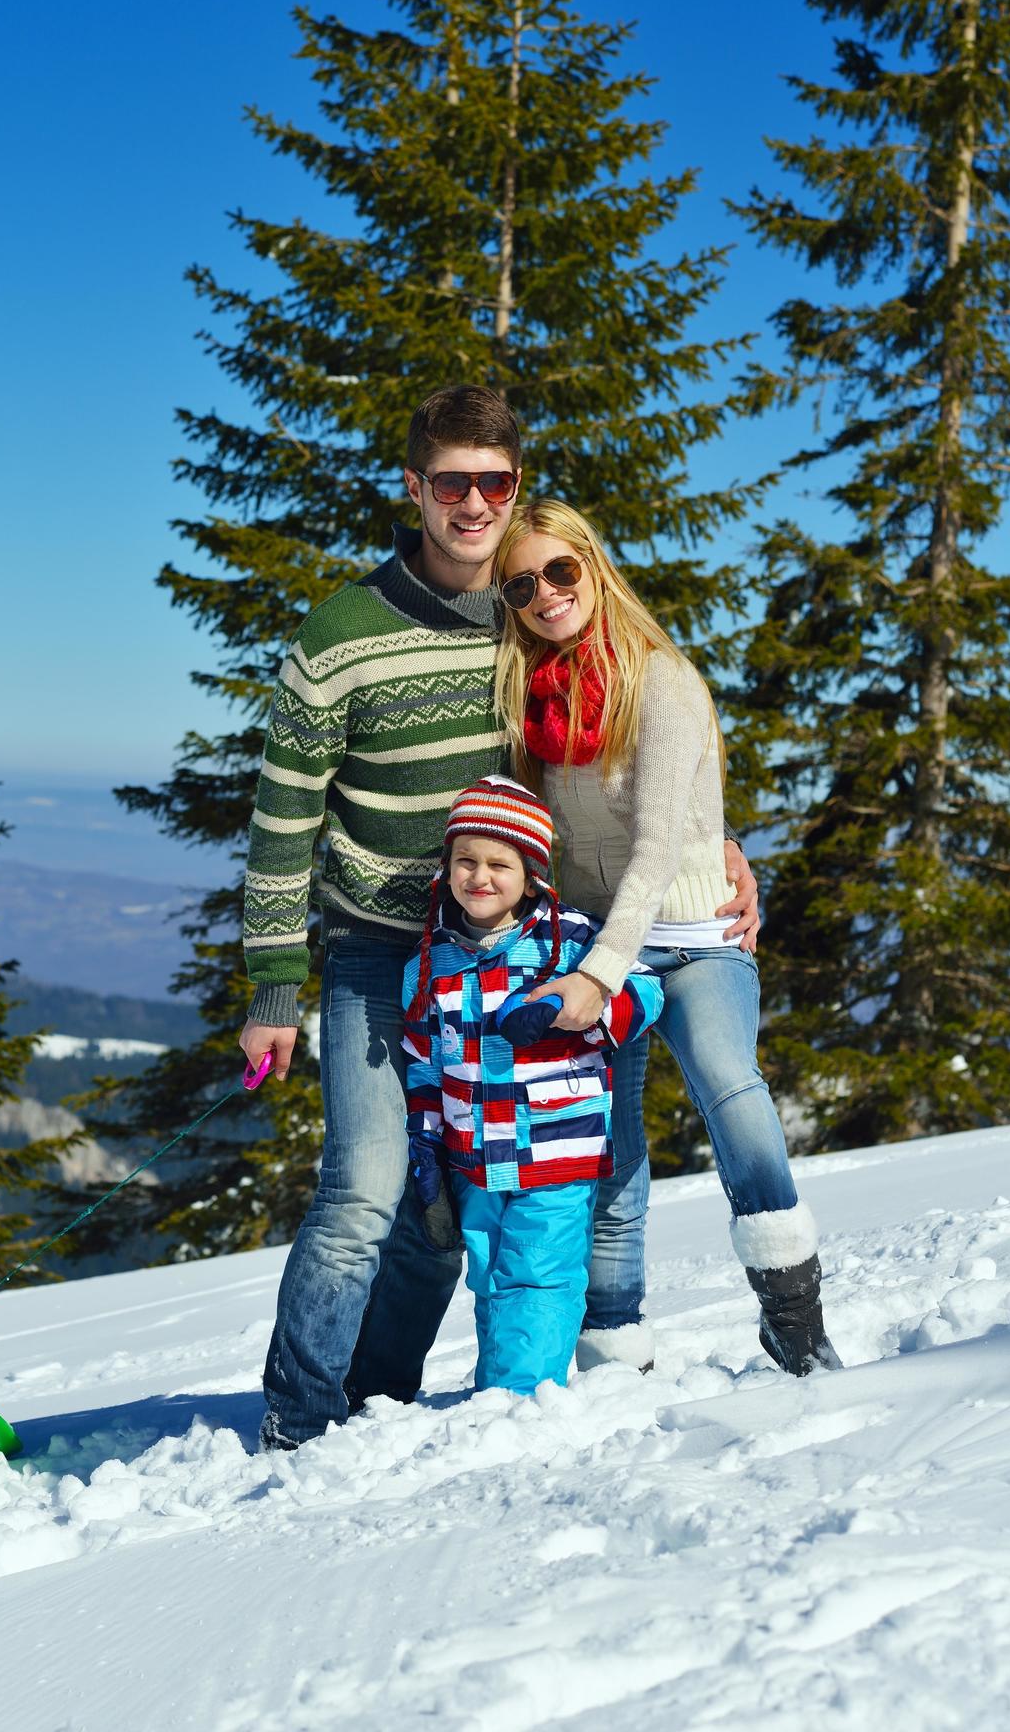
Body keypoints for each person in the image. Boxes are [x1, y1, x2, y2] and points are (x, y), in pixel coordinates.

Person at [239, 392, 761, 1449]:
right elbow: (282, 813)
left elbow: (620, 756)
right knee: (366, 1191)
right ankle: (299, 1419)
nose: (473, 504)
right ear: (413, 487)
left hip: (507, 952)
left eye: (494, 483)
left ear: (515, 487)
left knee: (453, 1197)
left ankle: (375, 1401)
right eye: (450, 482)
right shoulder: (340, 634)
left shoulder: (530, 618)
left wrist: (719, 847)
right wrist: (271, 990)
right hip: (379, 950)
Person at [492, 498, 841, 1378]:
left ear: (593, 566)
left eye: (560, 571)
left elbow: (652, 848)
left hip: (691, 935)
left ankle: (796, 1321)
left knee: (732, 1089)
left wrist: (602, 976)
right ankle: (613, 1338)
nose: (546, 594)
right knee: (611, 1137)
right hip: (596, 944)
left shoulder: (663, 679)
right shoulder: (527, 698)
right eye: (523, 582)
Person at [402, 777, 662, 1394]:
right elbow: (423, 1060)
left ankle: (522, 1398)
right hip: (474, 1158)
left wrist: (584, 1005)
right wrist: (427, 1143)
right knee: (490, 1278)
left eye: (500, 864)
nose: (480, 877)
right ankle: (499, 1389)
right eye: (466, 860)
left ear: (532, 874)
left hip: (555, 1153)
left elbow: (647, 989)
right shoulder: (430, 961)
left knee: (538, 1277)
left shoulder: (569, 941)